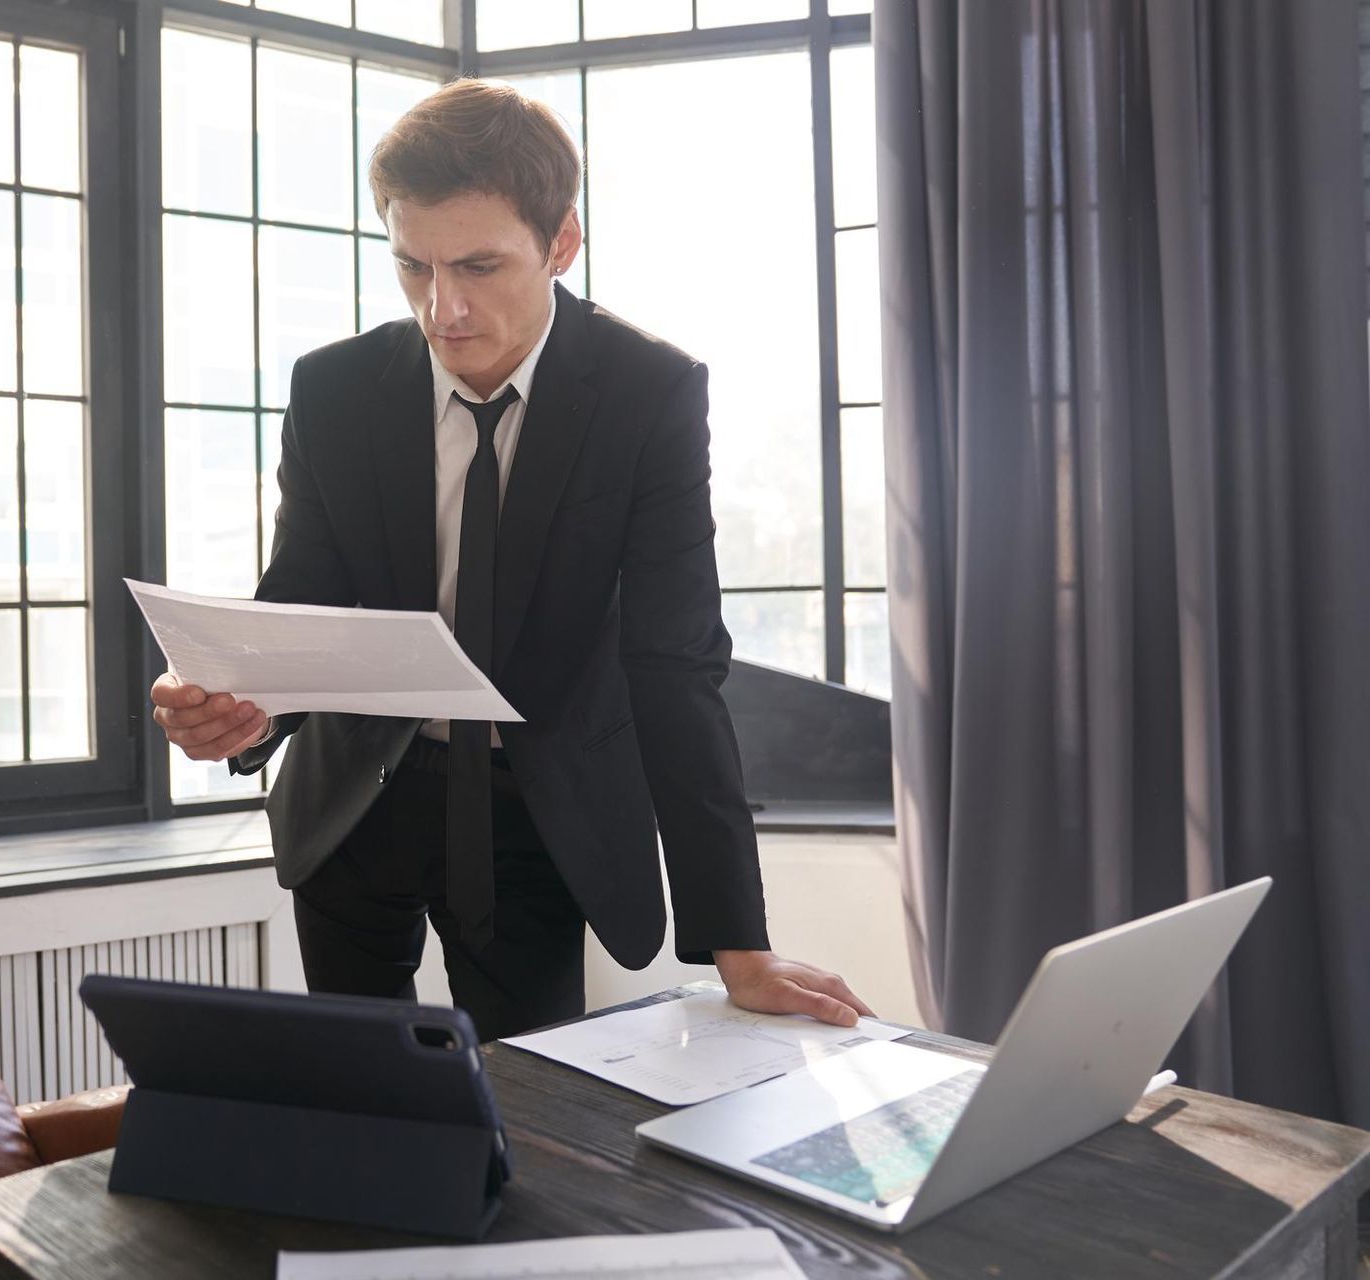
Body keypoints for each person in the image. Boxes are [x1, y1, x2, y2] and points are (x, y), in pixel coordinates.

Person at [152, 79, 872, 1041]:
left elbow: (675, 664)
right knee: (368, 1100)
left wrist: (738, 943)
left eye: (479, 266)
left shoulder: (646, 394)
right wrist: (240, 714)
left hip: (540, 812)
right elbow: (307, 605)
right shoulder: (335, 390)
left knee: (531, 1107)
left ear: (561, 243)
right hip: (354, 804)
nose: (442, 308)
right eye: (413, 267)